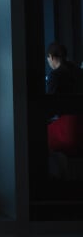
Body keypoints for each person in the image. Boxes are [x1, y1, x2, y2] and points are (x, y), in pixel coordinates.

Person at [45, 42, 83, 178]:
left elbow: (49, 107)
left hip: (68, 129)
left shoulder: (55, 76)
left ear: (51, 57)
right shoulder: (79, 72)